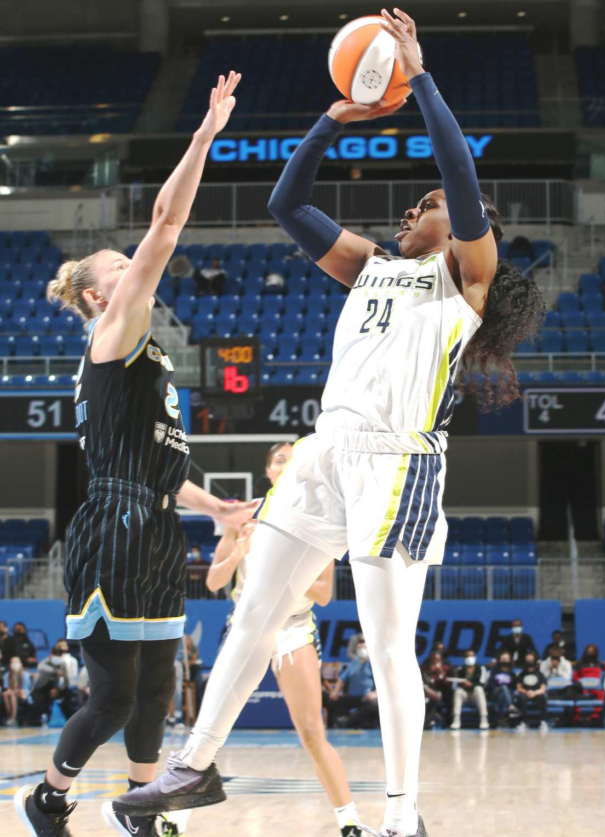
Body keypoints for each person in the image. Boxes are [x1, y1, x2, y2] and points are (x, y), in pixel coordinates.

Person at [113, 11, 544, 837]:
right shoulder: (371, 266)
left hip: (398, 463)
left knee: (387, 649)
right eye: (420, 204)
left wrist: (418, 76)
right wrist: (330, 120)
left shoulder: (467, 282)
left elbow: (458, 176)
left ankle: (402, 816)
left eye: (438, 205)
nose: (425, 206)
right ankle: (194, 767)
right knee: (255, 613)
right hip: (324, 452)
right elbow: (286, 201)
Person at [14, 71, 259, 837]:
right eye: (117, 268)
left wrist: (216, 504)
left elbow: (167, 463)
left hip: (153, 523)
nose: (133, 271)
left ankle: (140, 806)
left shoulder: (145, 361)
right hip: (112, 526)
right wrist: (204, 137)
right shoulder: (112, 332)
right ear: (96, 296)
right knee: (114, 695)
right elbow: (164, 222)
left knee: (159, 690)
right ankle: (48, 799)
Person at [207, 442, 363, 837]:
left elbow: (325, 593)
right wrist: (240, 548)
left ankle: (350, 823)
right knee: (210, 732)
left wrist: (279, 565)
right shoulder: (243, 518)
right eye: (280, 458)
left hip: (293, 626)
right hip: (247, 624)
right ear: (268, 471)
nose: (287, 462)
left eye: (294, 457)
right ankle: (172, 819)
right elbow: (214, 581)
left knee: (311, 731)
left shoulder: (319, 517)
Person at [326, 637, 379, 731]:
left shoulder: (374, 663)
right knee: (333, 701)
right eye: (359, 648)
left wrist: (374, 694)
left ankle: (347, 722)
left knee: (372, 705)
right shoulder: (353, 663)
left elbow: (382, 682)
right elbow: (342, 679)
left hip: (367, 698)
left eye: (364, 647)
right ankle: (341, 721)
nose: (361, 650)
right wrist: (336, 692)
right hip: (353, 697)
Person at [31, 645, 74, 722]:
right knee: (38, 699)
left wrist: (58, 689)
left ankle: (70, 719)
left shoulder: (62, 664)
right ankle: (37, 719)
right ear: (51, 655)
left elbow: (66, 680)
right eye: (55, 655)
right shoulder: (45, 662)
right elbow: (40, 667)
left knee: (68, 694)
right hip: (41, 688)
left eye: (59, 655)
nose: (57, 657)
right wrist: (55, 671)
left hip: (55, 688)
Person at [450, 650, 489, 730]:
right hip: (465, 694)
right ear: (464, 658)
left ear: (475, 657)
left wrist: (471, 685)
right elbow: (456, 683)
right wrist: (463, 683)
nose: (469, 658)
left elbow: (482, 683)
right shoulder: (460, 669)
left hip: (475, 694)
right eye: (467, 656)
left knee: (479, 689)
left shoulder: (480, 668)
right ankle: (456, 719)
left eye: (471, 656)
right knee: (458, 691)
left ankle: (483, 718)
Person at [514, 652, 548, 731]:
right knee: (521, 698)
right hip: (525, 692)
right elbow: (519, 687)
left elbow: (543, 689)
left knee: (542, 697)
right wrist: (526, 692)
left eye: (531, 660)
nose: (530, 663)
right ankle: (523, 722)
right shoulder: (522, 674)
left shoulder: (540, 674)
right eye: (528, 660)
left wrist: (535, 693)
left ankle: (542, 721)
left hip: (537, 692)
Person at [420, 650, 452, 728]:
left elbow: (447, 684)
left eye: (437, 660)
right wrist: (430, 672)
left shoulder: (446, 669)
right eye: (433, 659)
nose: (435, 662)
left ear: (441, 660)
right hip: (425, 693)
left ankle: (431, 720)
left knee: (435, 698)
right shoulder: (424, 668)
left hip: (440, 694)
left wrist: (441, 672)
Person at [486, 651, 518, 725]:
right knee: (503, 687)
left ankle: (500, 718)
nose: (505, 661)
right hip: (495, 692)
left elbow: (514, 686)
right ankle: (511, 706)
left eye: (506, 659)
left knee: (503, 695)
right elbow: (491, 684)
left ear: (510, 660)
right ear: (499, 660)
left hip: (506, 695)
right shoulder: (494, 671)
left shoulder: (512, 673)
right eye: (503, 659)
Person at [2, 656, 31, 727]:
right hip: (11, 692)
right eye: (13, 662)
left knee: (13, 695)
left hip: (22, 692)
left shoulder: (25, 674)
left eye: (17, 662)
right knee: (5, 694)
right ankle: (9, 715)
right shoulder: (7, 675)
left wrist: (16, 691)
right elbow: (6, 687)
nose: (15, 664)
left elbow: (26, 688)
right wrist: (11, 690)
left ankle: (13, 718)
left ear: (20, 664)